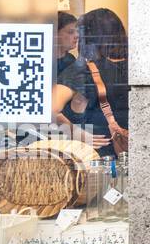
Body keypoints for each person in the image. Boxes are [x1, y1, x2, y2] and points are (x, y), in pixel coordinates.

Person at [53, 8, 129, 157]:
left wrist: (75, 133)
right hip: (134, 158)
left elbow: (47, 108)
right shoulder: (139, 70)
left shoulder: (84, 71)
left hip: (94, 159)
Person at [54, 11, 78, 81]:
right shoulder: (41, 62)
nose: (76, 36)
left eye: (77, 31)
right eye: (70, 32)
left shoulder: (71, 59)